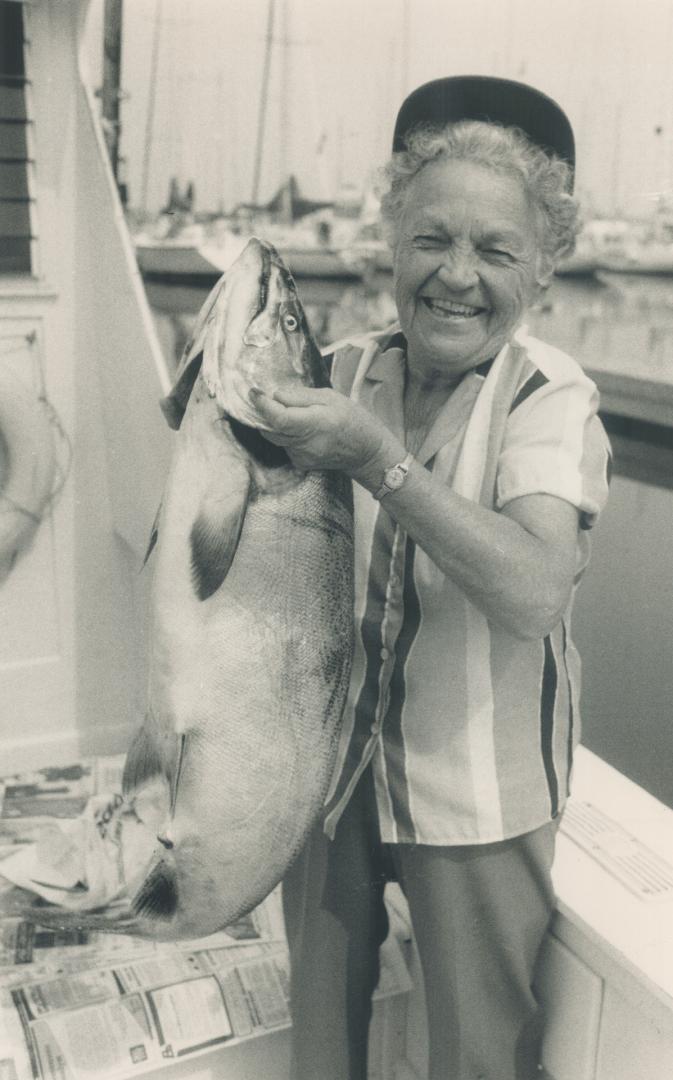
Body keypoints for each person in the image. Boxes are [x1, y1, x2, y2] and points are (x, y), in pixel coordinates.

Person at [252, 76, 611, 1080]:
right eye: (431, 241)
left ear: (542, 269)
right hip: (328, 774)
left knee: (474, 1057)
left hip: (476, 797)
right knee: (319, 1033)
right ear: (391, 244)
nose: (456, 276)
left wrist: (379, 460)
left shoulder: (550, 396)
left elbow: (536, 592)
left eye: (495, 251)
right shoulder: (343, 365)